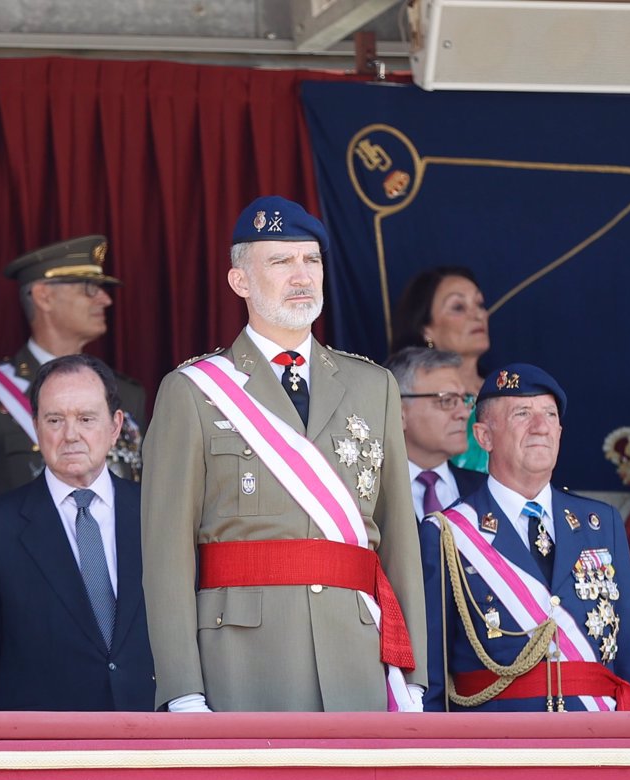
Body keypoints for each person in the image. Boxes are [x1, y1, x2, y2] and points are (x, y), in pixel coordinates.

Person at [141, 195, 425, 712]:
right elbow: (165, 556)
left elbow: (399, 538)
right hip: (241, 659)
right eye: (280, 261)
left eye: (311, 260)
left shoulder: (373, 385)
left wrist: (413, 675)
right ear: (240, 281)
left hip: (354, 655)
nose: (302, 275)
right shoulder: (192, 390)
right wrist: (182, 689)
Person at [419, 362, 630, 711]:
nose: (541, 426)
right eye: (522, 413)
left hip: (597, 744)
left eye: (549, 414)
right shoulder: (448, 533)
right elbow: (433, 677)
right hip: (500, 751)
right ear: (484, 437)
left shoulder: (601, 523)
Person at [0, 354, 153, 711]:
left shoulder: (156, 512)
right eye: (55, 420)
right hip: (39, 748)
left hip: (150, 739)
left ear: (116, 426)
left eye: (86, 419)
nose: (70, 435)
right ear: (36, 426)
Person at [0, 235, 148, 577]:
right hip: (29, 588)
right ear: (44, 295)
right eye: (88, 288)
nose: (105, 299)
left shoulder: (126, 392)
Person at [389, 266, 491, 471]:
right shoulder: (396, 390)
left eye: (479, 304)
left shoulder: (502, 393)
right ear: (426, 329)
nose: (478, 315)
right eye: (458, 307)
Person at [390, 345, 484, 519]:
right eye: (447, 401)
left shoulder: (484, 490)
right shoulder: (370, 495)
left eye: (464, 400)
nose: (464, 413)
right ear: (399, 412)